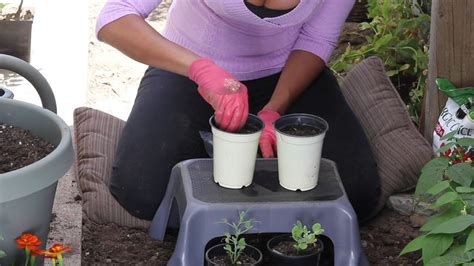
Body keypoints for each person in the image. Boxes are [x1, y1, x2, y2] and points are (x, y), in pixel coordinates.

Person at [96, 0, 380, 223]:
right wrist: (202, 70)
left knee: (358, 193)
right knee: (142, 191)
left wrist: (274, 109)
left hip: (286, 74)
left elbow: (317, 39)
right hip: (191, 69)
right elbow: (115, 17)